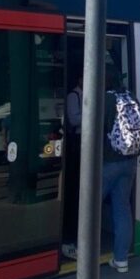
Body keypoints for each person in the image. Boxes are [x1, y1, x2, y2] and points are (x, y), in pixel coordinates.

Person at [100, 71, 140, 274]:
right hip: (130, 161)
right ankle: (121, 259)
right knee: (122, 208)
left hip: (108, 162)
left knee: (89, 207)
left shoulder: (105, 99)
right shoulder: (131, 97)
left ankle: (84, 253)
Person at [61, 76, 83, 260]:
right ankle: (70, 240)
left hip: (84, 144)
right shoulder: (73, 96)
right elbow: (73, 119)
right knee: (74, 192)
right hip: (77, 146)